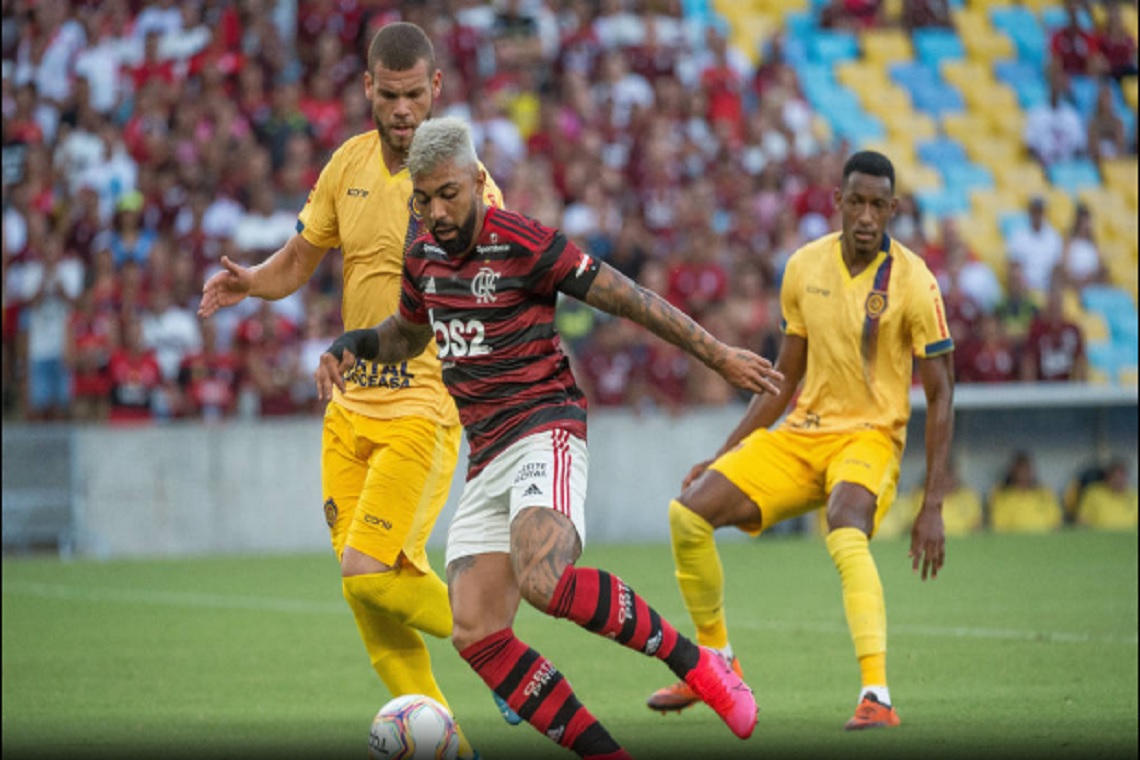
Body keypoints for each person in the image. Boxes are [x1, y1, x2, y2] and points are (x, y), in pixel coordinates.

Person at [314, 117, 782, 759]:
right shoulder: (421, 255)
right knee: (476, 632)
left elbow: (629, 299)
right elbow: (408, 333)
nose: (437, 212)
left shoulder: (524, 242)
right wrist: (355, 344)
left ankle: (700, 664)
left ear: (477, 180)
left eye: (449, 194)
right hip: (486, 456)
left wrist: (718, 355)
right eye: (423, 199)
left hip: (545, 427)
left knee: (545, 581)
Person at [197, 23, 502, 759]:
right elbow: (301, 257)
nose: (402, 110)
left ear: (436, 88)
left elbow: (497, 280)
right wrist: (252, 282)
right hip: (348, 407)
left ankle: (498, 645)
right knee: (365, 589)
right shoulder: (347, 165)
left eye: (414, 95)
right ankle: (451, 744)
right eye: (388, 95)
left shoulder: (465, 182)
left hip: (422, 405)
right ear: (368, 88)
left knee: (367, 572)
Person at [645, 151, 955, 731]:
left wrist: (932, 502)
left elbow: (942, 395)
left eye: (878, 205)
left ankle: (877, 695)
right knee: (687, 515)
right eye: (856, 202)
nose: (866, 216)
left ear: (893, 209)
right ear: (838, 201)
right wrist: (725, 454)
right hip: (803, 434)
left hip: (869, 439)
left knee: (845, 527)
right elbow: (784, 379)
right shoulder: (804, 267)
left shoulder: (915, 282)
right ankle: (717, 664)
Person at [988, 451, 1063, 533]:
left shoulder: (1044, 493)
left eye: (1027, 469)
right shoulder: (1004, 496)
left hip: (1045, 538)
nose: (1024, 474)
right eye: (1020, 470)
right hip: (1014, 539)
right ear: (1012, 472)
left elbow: (1056, 523)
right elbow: (998, 528)